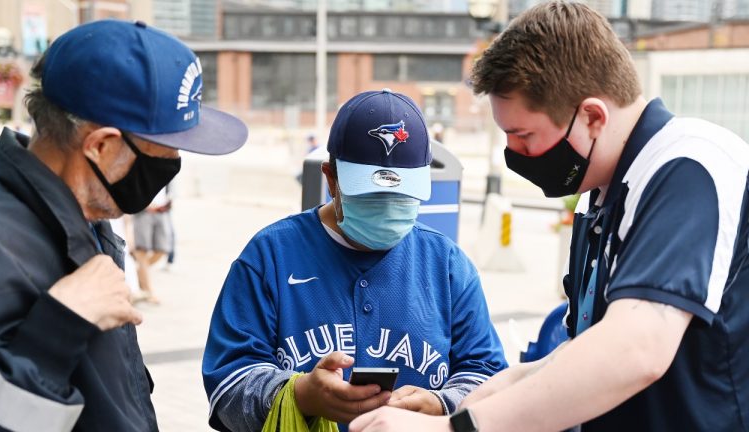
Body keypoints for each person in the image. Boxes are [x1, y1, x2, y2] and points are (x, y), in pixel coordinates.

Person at [350, 2, 749, 432]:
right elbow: (587, 349)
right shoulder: (600, 194)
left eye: (524, 137)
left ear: (593, 117)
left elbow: (637, 347)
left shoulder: (688, 166)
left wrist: (459, 430)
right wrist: (476, 401)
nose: (515, 156)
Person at [0, 20, 247, 431]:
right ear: (101, 145)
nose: (173, 164)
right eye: (166, 150)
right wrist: (59, 326)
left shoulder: (84, 218)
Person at [203, 89, 507, 432]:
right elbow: (226, 388)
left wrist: (442, 404)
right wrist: (300, 395)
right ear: (331, 178)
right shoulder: (269, 256)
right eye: (373, 194)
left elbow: (488, 374)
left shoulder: (448, 265)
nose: (388, 206)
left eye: (403, 195)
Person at [133, 183, 175, 304]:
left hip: (161, 211)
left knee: (162, 250)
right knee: (142, 251)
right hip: (143, 211)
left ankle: (138, 272)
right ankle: (148, 292)